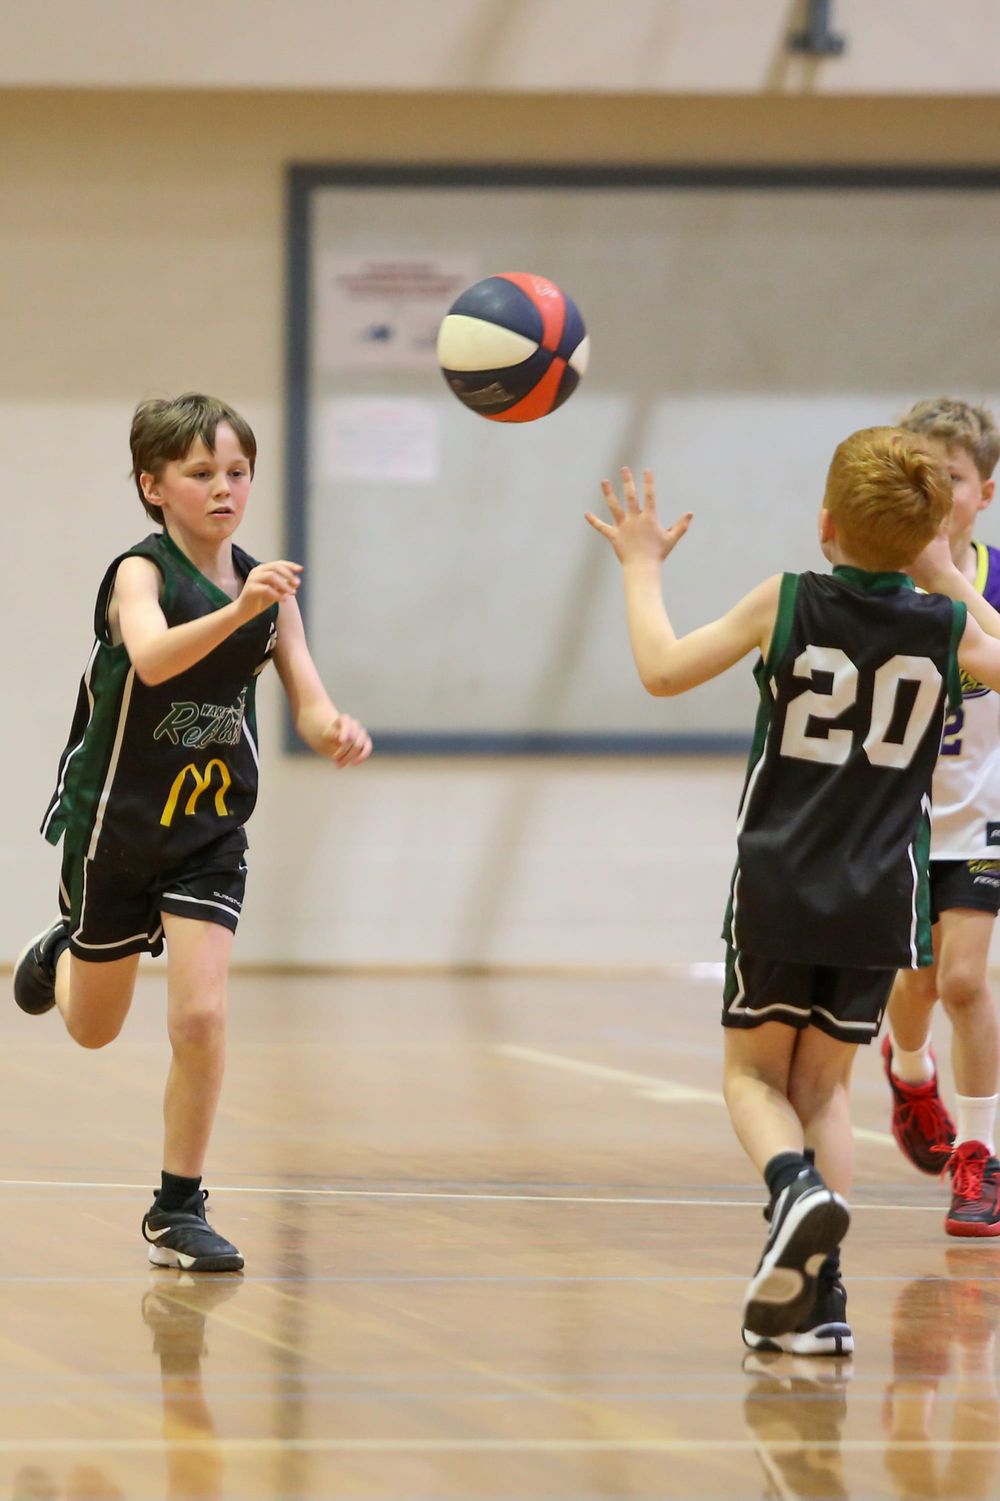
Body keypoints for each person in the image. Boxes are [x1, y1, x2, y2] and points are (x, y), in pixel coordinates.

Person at [586, 428, 1000, 1356]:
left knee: (752, 1076)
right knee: (825, 1089)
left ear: (825, 525)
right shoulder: (942, 626)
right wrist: (952, 577)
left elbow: (660, 668)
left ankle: (792, 1189)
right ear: (933, 532)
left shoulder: (785, 602)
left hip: (781, 879)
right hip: (881, 893)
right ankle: (821, 1301)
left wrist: (641, 564)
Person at [13, 392, 372, 1272]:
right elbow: (153, 657)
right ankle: (65, 950)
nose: (225, 489)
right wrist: (242, 608)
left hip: (210, 828)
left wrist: (335, 730)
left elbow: (311, 699)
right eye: (202, 472)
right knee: (93, 1029)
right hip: (116, 823)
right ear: (153, 485)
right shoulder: (141, 574)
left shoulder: (266, 591)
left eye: (238, 472)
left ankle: (179, 1206)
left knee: (203, 1016)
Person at [880, 399, 1000, 1237]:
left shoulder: (987, 577)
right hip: (897, 819)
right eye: (916, 473)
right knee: (915, 985)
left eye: (949, 478)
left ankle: (981, 1158)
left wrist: (951, 581)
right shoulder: (877, 580)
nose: (933, 490)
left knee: (964, 981)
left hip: (983, 810)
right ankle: (910, 1069)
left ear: (983, 492)